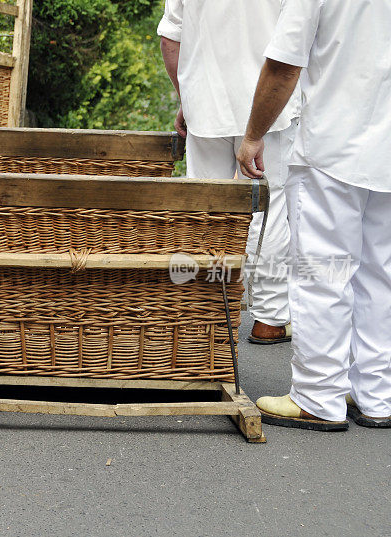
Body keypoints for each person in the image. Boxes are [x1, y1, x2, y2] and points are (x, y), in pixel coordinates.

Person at [237, 0, 391, 430]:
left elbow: (285, 65)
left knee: (323, 272)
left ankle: (318, 395)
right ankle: (377, 396)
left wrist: (253, 136)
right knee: (380, 275)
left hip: (334, 144)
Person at [158, 0, 300, 345]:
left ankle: (204, 318)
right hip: (269, 102)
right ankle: (268, 318)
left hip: (206, 102)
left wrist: (186, 99)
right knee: (271, 207)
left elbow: (170, 38)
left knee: (206, 212)